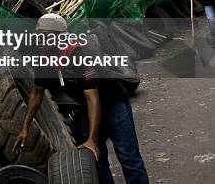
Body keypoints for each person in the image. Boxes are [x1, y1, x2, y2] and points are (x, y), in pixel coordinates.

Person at [12, 14, 149, 184]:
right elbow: (37, 93)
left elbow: (94, 98)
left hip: (113, 103)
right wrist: (25, 128)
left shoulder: (80, 54)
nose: (39, 40)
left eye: (45, 35)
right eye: (38, 35)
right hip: (86, 107)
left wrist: (92, 139)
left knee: (129, 157)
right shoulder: (45, 59)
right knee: (97, 159)